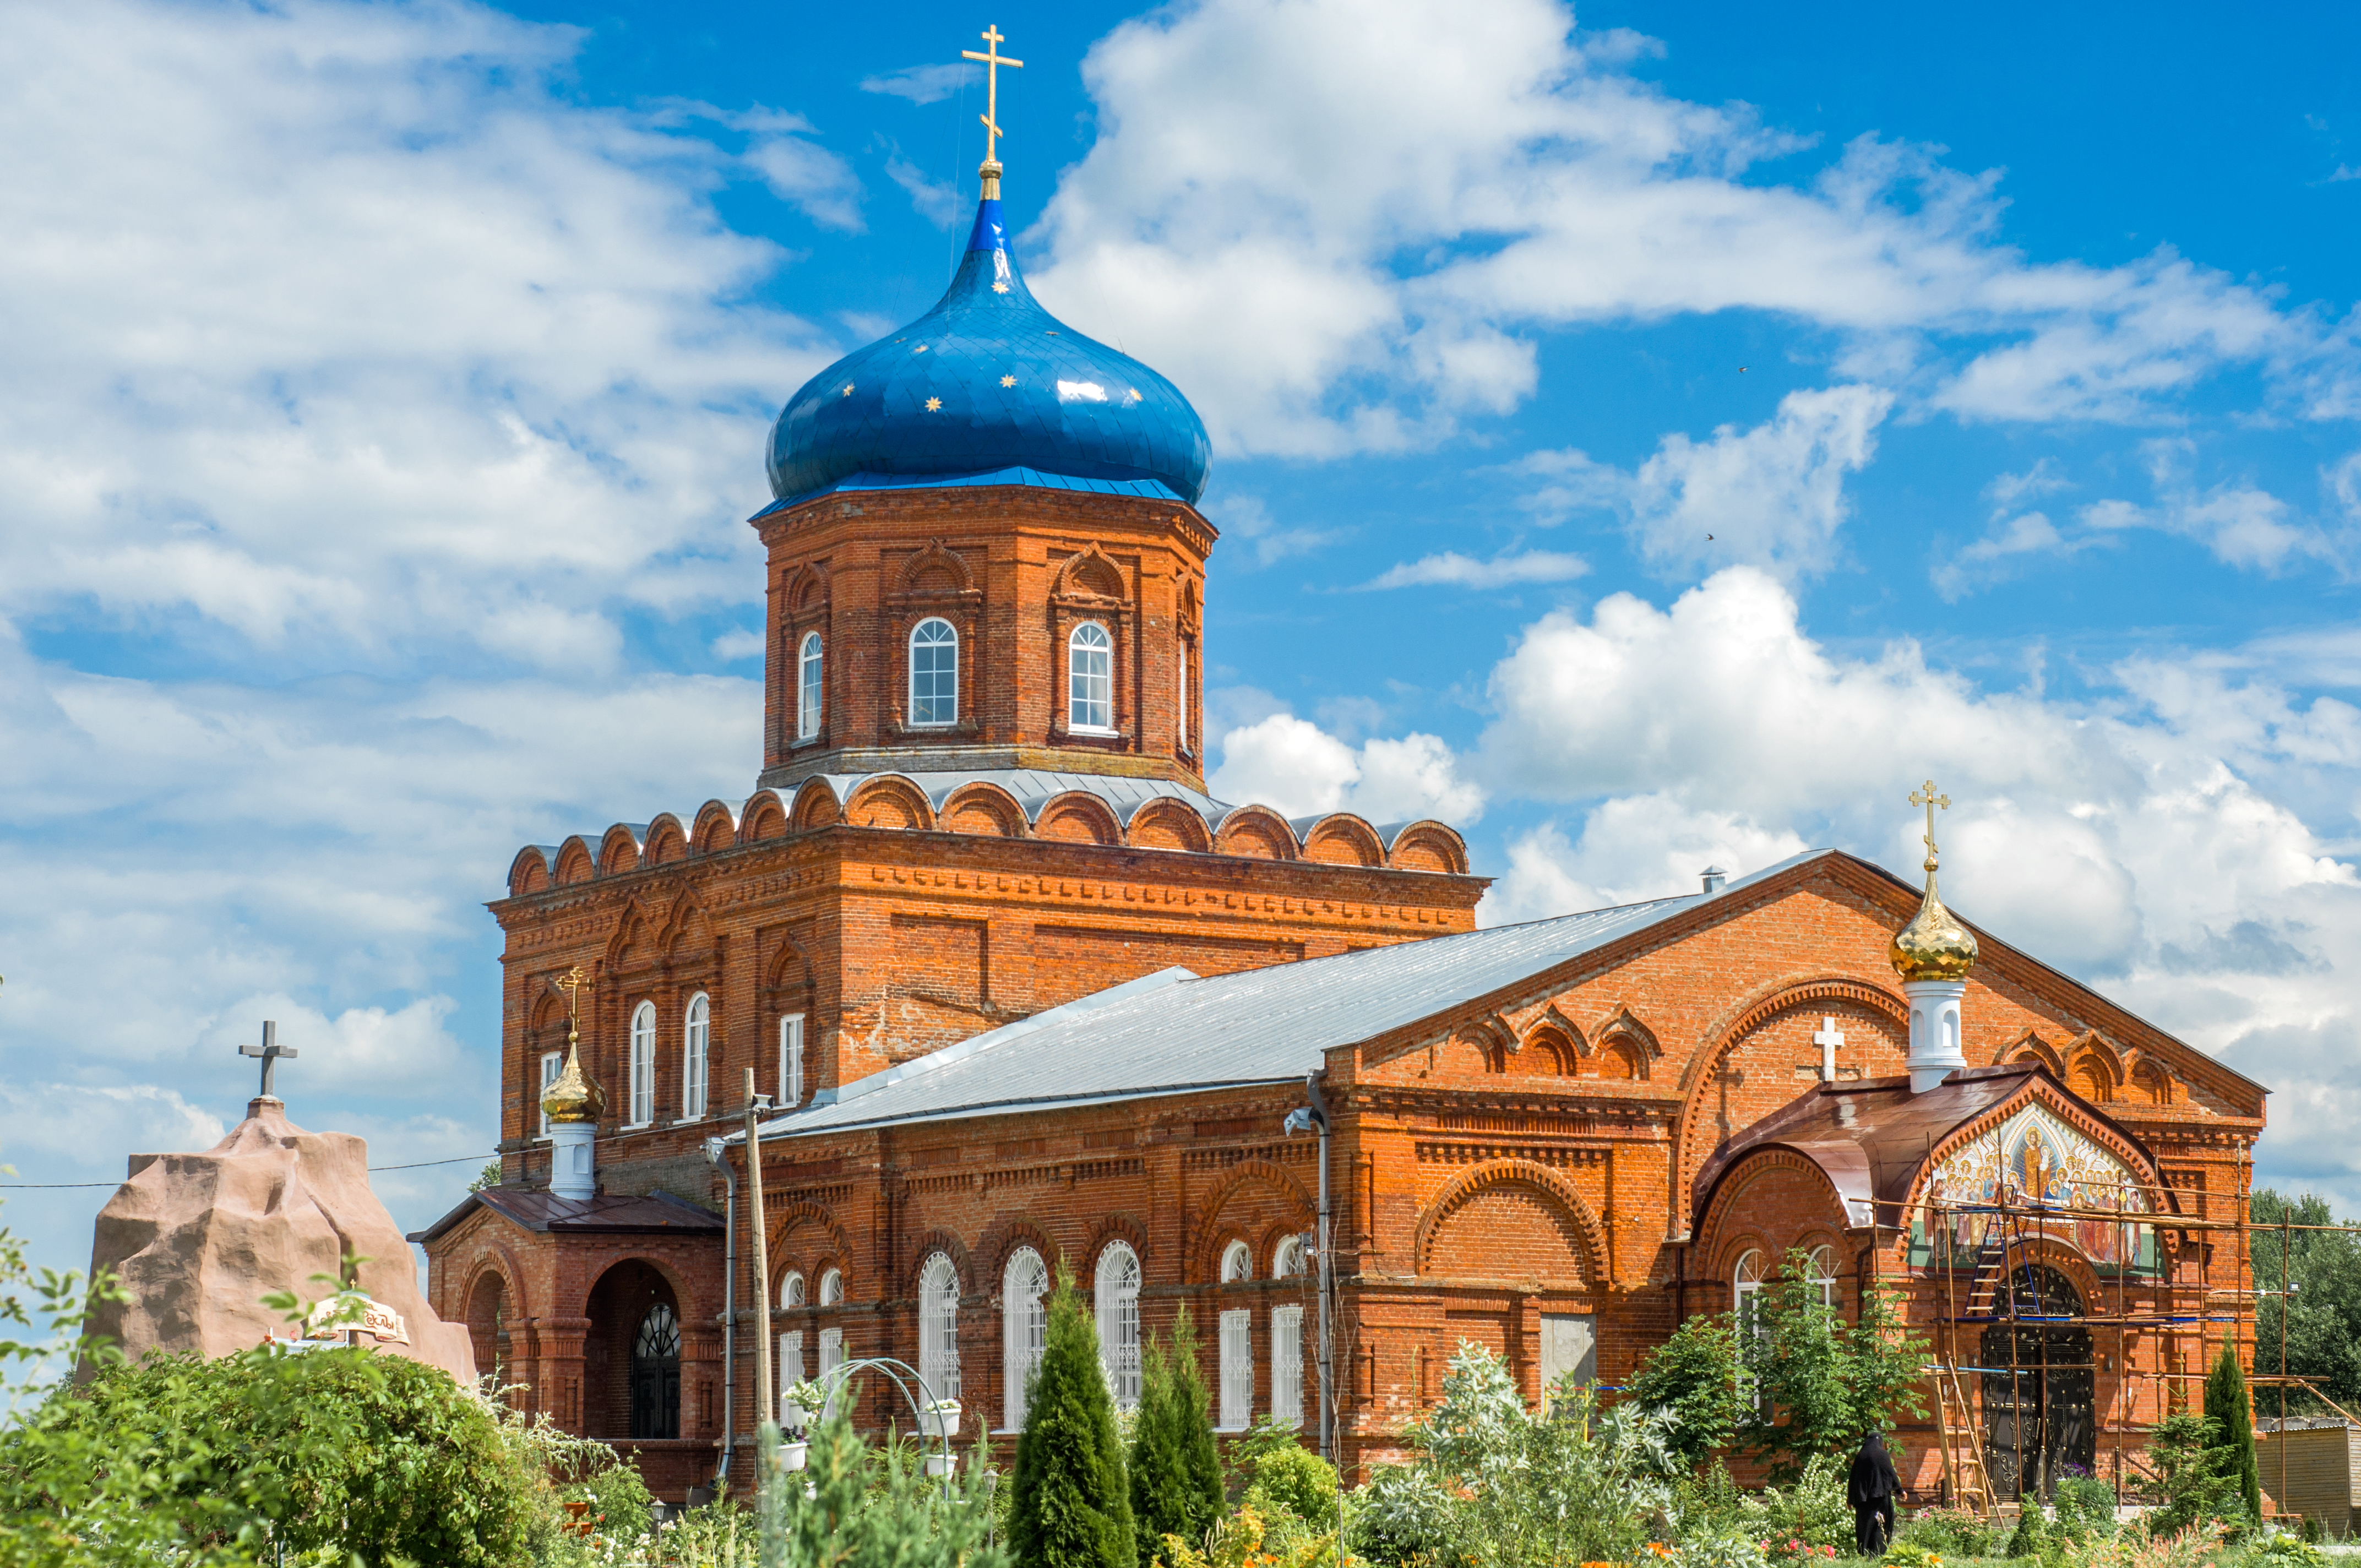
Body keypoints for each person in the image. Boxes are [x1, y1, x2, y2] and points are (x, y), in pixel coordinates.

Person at [1849, 1430, 1900, 1554]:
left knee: (1865, 1527)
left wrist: (1850, 1499)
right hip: (1881, 1499)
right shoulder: (1883, 1455)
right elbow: (1890, 1473)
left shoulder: (1861, 1456)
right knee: (1880, 1525)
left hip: (1864, 1501)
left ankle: (1865, 1552)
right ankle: (1878, 1553)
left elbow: (1853, 1478)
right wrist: (1900, 1490)